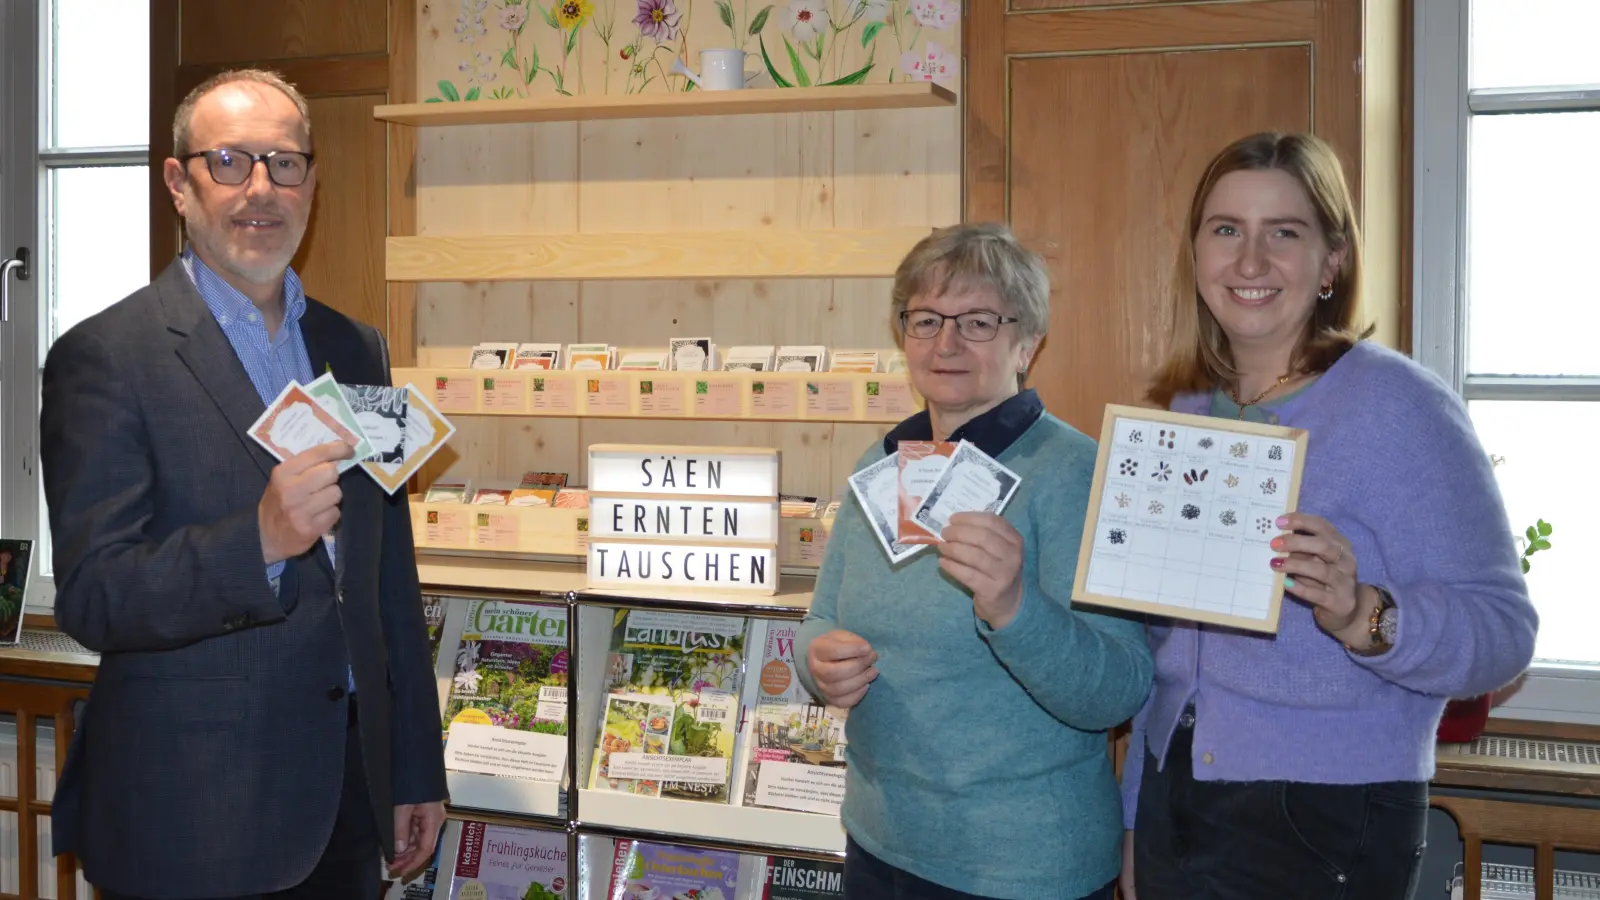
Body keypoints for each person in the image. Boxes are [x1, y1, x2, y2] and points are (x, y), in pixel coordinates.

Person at [40, 69, 448, 899]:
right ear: (179, 184)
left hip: (344, 806)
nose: (260, 189)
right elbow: (93, 597)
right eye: (229, 162)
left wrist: (413, 764)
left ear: (311, 184)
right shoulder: (105, 357)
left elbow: (384, 581)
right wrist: (256, 542)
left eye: (283, 163)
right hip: (190, 819)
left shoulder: (355, 346)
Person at [1117, 132, 1538, 900]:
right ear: (1197, 254)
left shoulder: (1397, 407)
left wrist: (1364, 615)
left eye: (1284, 233)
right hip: (1177, 792)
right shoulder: (1182, 412)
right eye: (1226, 231)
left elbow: (1505, 634)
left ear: (1332, 262)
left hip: (1322, 814)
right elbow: (1166, 661)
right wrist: (1137, 822)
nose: (1250, 262)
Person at [795, 223, 1154, 900]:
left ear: (1028, 341)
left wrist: (1017, 610)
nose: (946, 342)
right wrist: (821, 660)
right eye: (926, 319)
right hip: (880, 840)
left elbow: (1120, 689)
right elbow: (822, 616)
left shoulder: (1079, 475)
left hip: (1022, 866)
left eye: (978, 321)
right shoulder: (885, 463)